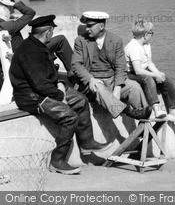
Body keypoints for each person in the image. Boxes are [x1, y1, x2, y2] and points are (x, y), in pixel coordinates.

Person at [9, 15, 111, 175]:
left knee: (81, 100)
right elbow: (40, 85)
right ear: (48, 33)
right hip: (31, 97)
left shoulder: (38, 45)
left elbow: (48, 76)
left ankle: (86, 144)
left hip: (44, 90)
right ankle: (57, 161)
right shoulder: (29, 51)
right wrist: (59, 94)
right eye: (52, 31)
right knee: (70, 117)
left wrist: (60, 84)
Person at [71, 11, 150, 120]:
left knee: (134, 86)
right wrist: (90, 79)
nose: (87, 29)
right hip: (92, 83)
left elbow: (121, 67)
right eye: (86, 26)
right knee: (98, 87)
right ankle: (127, 111)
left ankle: (143, 117)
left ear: (101, 26)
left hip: (112, 80)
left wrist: (117, 88)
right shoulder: (80, 41)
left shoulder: (116, 40)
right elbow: (76, 64)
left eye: (90, 26)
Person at [0, 0, 75, 88]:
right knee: (60, 39)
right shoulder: (8, 26)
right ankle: (72, 73)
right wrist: (13, 4)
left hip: (17, 56)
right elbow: (30, 13)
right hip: (27, 55)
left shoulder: (5, 26)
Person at [124, 19, 175, 120]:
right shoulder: (133, 47)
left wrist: (158, 73)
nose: (152, 35)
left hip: (143, 70)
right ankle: (156, 108)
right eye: (151, 33)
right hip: (131, 73)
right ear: (145, 34)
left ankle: (173, 110)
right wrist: (154, 76)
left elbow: (149, 63)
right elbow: (138, 70)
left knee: (167, 80)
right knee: (147, 79)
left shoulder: (146, 45)